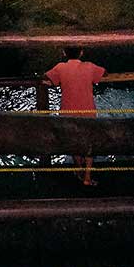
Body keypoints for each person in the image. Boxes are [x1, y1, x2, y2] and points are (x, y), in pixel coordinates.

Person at [46, 47, 107, 186]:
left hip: (68, 111)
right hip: (87, 111)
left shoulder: (60, 67)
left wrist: (51, 83)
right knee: (89, 143)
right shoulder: (89, 66)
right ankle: (87, 177)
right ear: (81, 53)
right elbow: (104, 73)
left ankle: (79, 171)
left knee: (74, 141)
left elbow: (48, 77)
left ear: (63, 53)